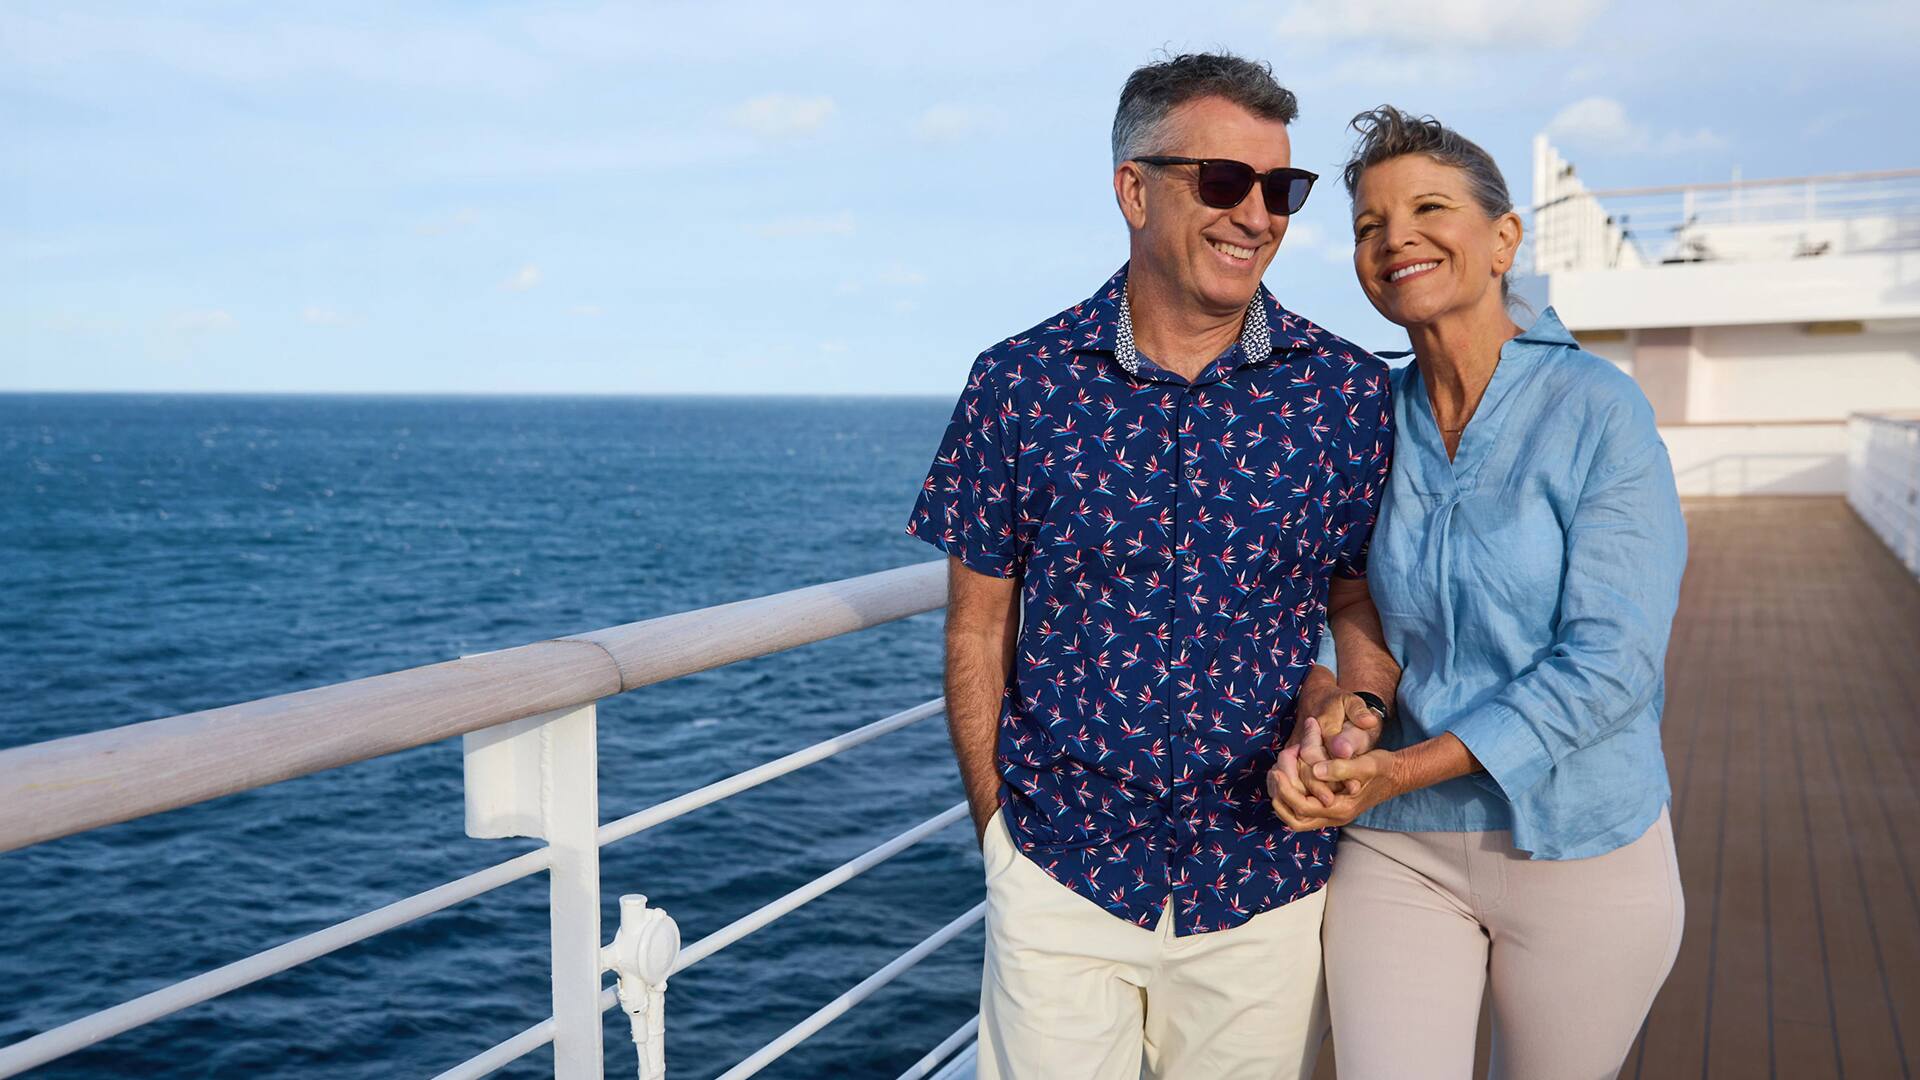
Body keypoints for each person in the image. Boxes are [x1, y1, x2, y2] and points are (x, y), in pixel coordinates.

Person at [906, 52, 1398, 1080]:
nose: (1256, 215)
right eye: (1223, 180)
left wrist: (1357, 708)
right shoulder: (1019, 385)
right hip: (1060, 871)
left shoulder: (1346, 394)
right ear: (1135, 191)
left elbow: (1358, 601)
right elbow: (976, 626)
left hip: (1262, 879)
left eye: (1281, 188)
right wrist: (999, 834)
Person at [1267, 106, 1688, 1080]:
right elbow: (1349, 603)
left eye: (1428, 208)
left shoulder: (1599, 410)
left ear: (1503, 240)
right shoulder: (1366, 421)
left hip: (1579, 844)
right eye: (1369, 225)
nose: (1394, 238)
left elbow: (1612, 662)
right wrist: (1342, 713)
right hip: (1399, 846)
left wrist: (1405, 768)